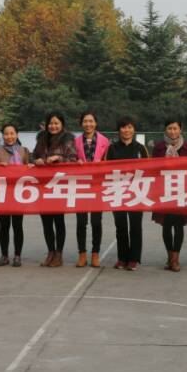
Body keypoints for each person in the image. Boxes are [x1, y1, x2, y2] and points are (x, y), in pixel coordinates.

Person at [32, 112, 77, 267]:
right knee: (46, 222)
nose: (53, 126)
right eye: (51, 123)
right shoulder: (41, 139)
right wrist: (36, 160)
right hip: (43, 185)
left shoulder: (68, 139)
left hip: (59, 185)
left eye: (56, 123)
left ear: (62, 124)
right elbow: (32, 156)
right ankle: (50, 252)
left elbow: (73, 159)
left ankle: (59, 254)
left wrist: (59, 158)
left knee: (58, 221)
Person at [106, 116, 151, 270]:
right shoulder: (112, 148)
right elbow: (105, 170)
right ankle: (122, 258)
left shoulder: (141, 148)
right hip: (118, 192)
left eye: (130, 127)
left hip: (136, 193)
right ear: (119, 130)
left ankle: (134, 259)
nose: (127, 130)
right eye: (124, 127)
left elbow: (148, 169)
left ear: (134, 129)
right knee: (121, 227)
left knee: (135, 226)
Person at [152, 119, 187, 272]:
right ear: (165, 130)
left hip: (181, 190)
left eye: (175, 128)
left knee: (178, 225)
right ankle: (169, 256)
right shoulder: (158, 147)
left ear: (180, 130)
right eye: (169, 128)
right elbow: (152, 168)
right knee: (166, 224)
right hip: (163, 190)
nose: (172, 131)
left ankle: (176, 258)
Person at [0, 123, 32, 267]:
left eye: (12, 133)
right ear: (3, 136)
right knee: (4, 226)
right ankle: (4, 256)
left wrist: (30, 167)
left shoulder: (24, 151)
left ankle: (17, 255)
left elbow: (29, 171)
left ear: (17, 134)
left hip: (18, 194)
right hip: (2, 193)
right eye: (6, 134)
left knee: (17, 225)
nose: (9, 136)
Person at [73, 111, 110, 268]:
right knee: (81, 221)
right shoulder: (75, 141)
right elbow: (71, 158)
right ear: (81, 124)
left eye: (91, 121)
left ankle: (95, 253)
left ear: (95, 123)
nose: (88, 124)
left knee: (96, 221)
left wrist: (103, 164)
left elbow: (109, 161)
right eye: (85, 121)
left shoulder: (105, 141)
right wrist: (76, 161)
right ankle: (82, 253)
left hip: (97, 185)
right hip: (81, 184)